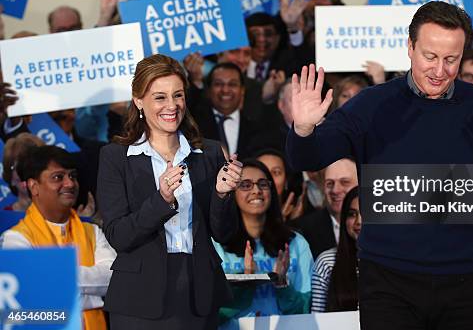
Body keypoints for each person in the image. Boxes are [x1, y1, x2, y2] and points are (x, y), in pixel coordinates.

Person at [286, 1, 473, 329]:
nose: (439, 71)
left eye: (451, 60)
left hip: (463, 284)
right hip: (387, 283)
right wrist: (304, 129)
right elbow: (305, 158)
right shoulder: (372, 105)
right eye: (430, 57)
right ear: (410, 47)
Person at [96, 54, 240, 329]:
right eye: (159, 97)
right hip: (138, 301)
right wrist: (161, 200)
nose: (171, 106)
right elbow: (119, 236)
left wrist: (222, 195)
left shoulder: (208, 152)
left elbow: (224, 234)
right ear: (139, 100)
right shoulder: (115, 157)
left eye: (178, 95)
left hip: (199, 295)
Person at [0, 145, 116, 330]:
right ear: (33, 186)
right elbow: (31, 298)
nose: (70, 183)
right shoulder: (16, 238)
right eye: (58, 177)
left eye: (72, 176)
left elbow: (112, 278)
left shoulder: (92, 232)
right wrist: (93, 297)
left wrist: (57, 276)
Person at [213, 159, 313, 330]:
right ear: (232, 193)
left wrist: (282, 286)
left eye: (263, 184)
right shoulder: (217, 244)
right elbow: (214, 314)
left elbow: (305, 309)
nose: (256, 190)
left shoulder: (296, 243)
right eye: (245, 185)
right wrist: (244, 282)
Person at [292, 158, 358, 260]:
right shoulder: (301, 231)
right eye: (329, 183)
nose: (335, 190)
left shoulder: (380, 227)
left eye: (345, 182)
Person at [311, 187, 360, 313]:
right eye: (352, 214)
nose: (358, 222)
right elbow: (317, 317)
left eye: (366, 213)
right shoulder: (327, 262)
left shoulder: (391, 261)